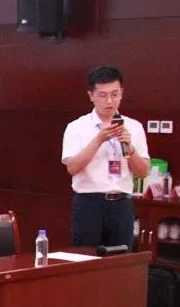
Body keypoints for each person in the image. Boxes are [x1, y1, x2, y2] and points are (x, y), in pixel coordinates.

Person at [61, 66, 150, 247]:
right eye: (102, 95)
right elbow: (72, 168)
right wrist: (99, 139)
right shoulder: (76, 127)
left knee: (120, 260)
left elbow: (143, 172)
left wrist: (130, 149)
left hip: (122, 205)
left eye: (115, 94)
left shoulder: (134, 127)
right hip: (89, 204)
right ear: (91, 95)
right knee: (86, 259)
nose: (109, 101)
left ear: (122, 93)